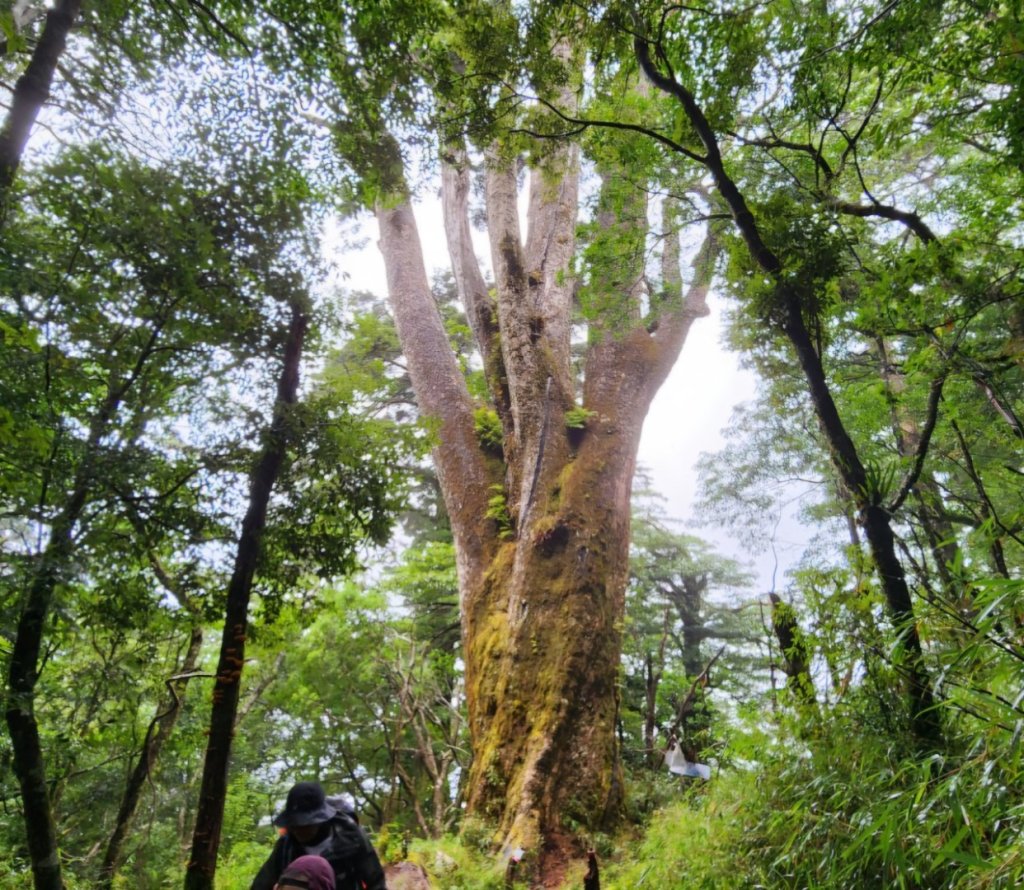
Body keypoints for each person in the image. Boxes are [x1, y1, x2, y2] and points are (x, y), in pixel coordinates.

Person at [251, 781, 387, 890]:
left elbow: (375, 881)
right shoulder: (286, 845)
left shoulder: (351, 837)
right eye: (295, 824)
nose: (299, 830)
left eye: (306, 824)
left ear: (321, 820)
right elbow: (262, 883)